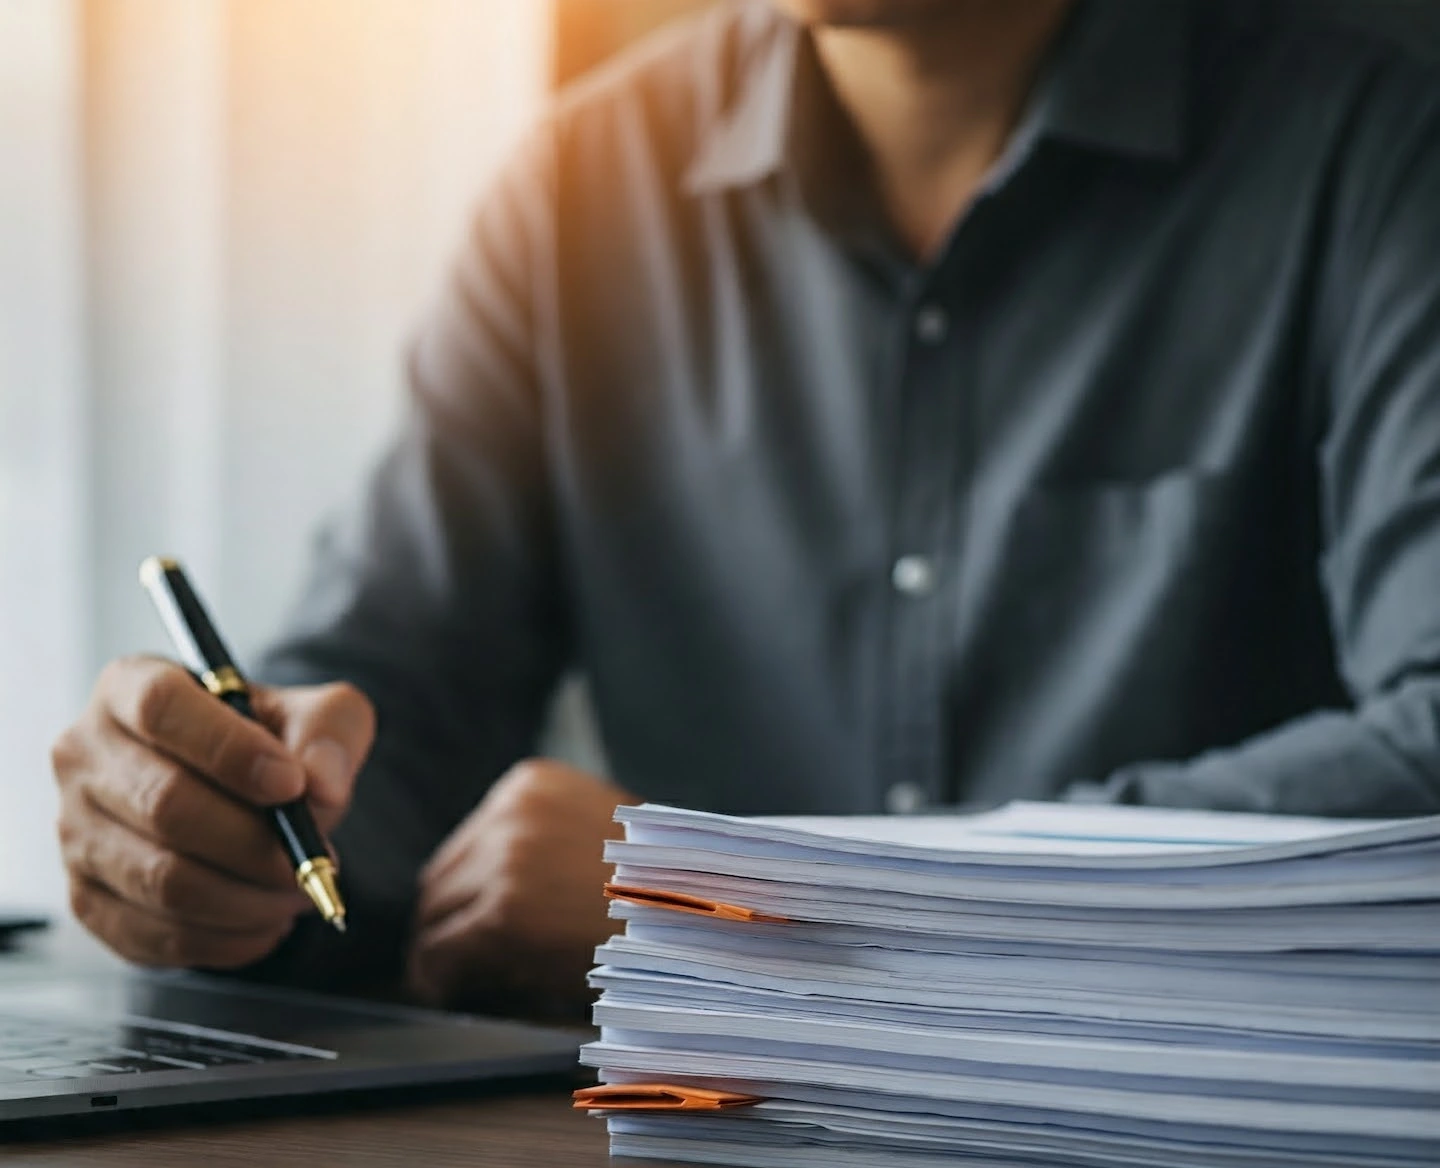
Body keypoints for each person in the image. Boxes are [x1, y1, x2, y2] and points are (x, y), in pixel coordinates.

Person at [51, 0, 1440, 1018]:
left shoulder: (1376, 151)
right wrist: (232, 837)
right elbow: (399, 690)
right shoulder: (577, 193)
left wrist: (743, 901)